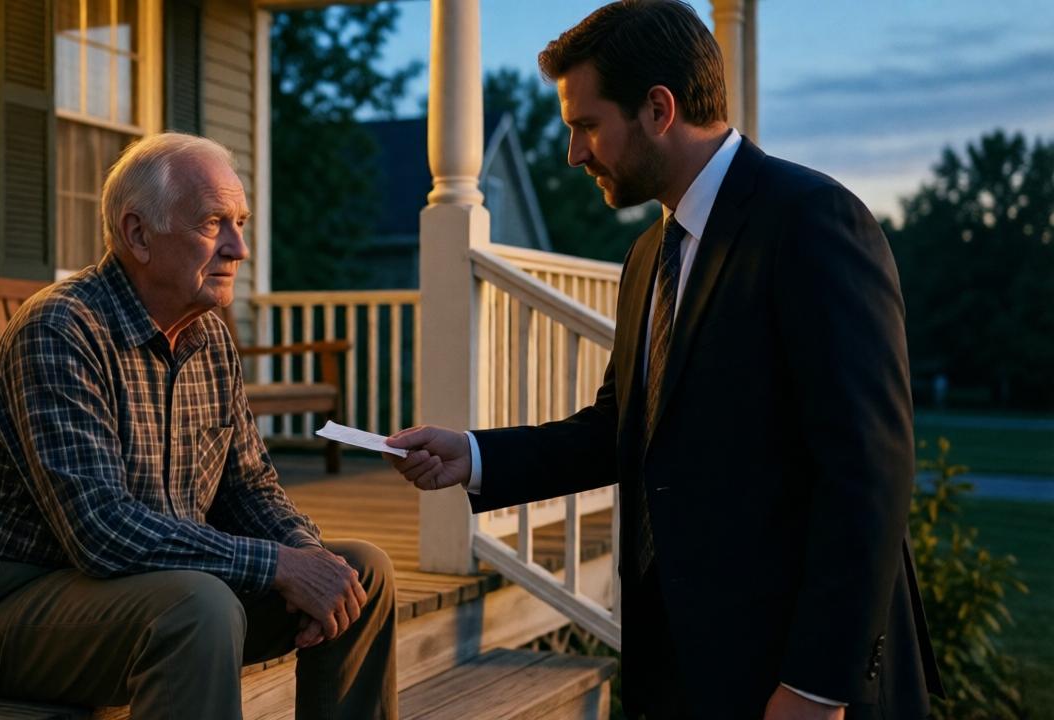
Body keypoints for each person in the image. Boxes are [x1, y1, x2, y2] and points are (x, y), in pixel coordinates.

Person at [386, 2, 942, 718]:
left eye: (586, 125)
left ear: (658, 109)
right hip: (681, 669)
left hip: (795, 678)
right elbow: (621, 428)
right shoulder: (649, 255)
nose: (574, 154)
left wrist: (815, 686)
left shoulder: (811, 222)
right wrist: (473, 455)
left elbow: (869, 470)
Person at [0, 133, 396, 720]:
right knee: (198, 606)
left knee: (360, 573)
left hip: (164, 590)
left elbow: (249, 489)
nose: (240, 248)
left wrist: (310, 559)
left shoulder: (208, 337)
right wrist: (280, 568)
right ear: (138, 235)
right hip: (15, 608)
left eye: (241, 222)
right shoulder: (61, 329)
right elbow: (101, 530)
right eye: (214, 224)